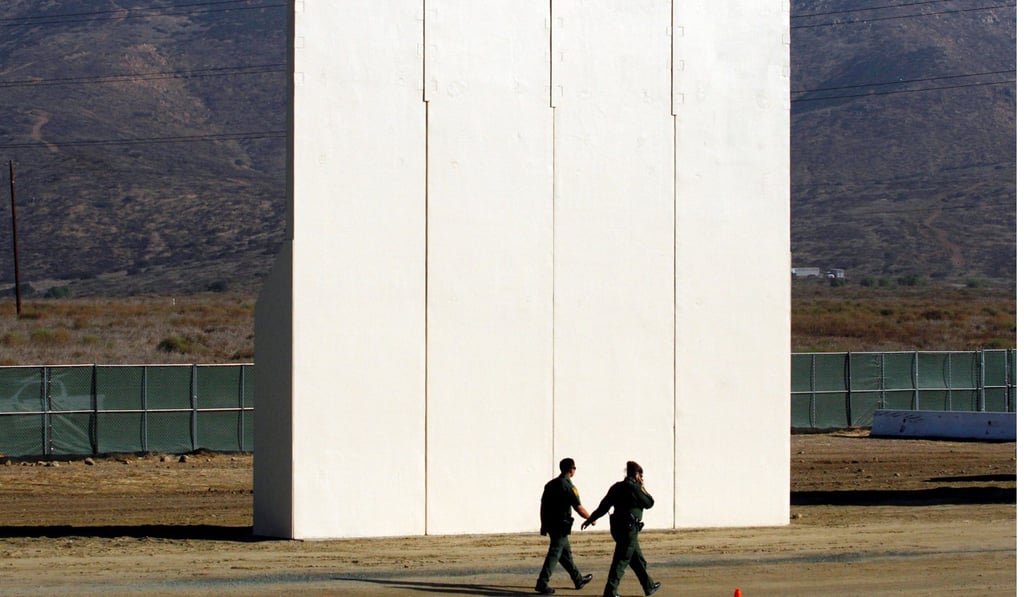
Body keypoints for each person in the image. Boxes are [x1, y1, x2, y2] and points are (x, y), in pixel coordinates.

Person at [582, 461, 661, 597]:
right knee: (621, 560)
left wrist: (590, 519)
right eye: (641, 475)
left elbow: (603, 507)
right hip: (629, 531)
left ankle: (648, 586)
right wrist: (642, 487)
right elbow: (649, 503)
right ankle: (610, 591)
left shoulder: (616, 487)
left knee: (637, 560)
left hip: (618, 529)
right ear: (637, 475)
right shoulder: (635, 488)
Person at [535, 457, 594, 594]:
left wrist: (543, 524)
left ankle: (578, 579)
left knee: (565, 554)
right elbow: (578, 507)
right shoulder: (568, 486)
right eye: (574, 468)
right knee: (555, 553)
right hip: (560, 525)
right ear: (571, 470)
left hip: (551, 524)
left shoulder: (550, 485)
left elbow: (543, 506)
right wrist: (591, 518)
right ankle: (542, 582)